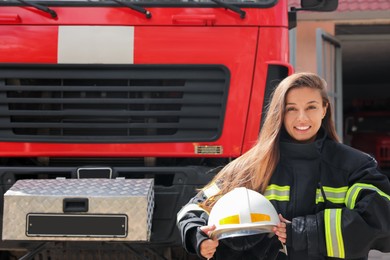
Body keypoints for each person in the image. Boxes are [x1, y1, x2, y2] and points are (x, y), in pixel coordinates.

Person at [177, 72, 390, 260]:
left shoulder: (354, 166)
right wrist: (198, 235)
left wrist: (301, 232)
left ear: (325, 109)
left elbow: (381, 221)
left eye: (311, 107)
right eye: (291, 109)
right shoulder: (250, 166)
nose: (302, 117)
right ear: (280, 113)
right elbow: (195, 207)